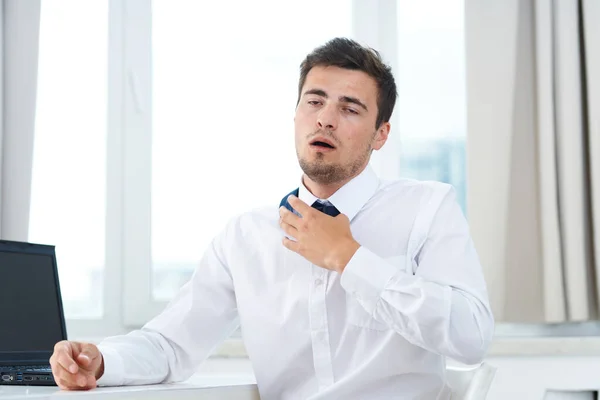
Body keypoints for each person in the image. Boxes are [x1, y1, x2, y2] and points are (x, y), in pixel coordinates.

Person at [50, 37, 494, 399]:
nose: (325, 119)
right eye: (314, 101)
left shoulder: (428, 208)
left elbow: (471, 338)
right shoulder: (245, 236)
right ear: (296, 114)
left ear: (381, 135)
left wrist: (350, 259)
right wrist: (101, 361)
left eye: (350, 108)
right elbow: (171, 344)